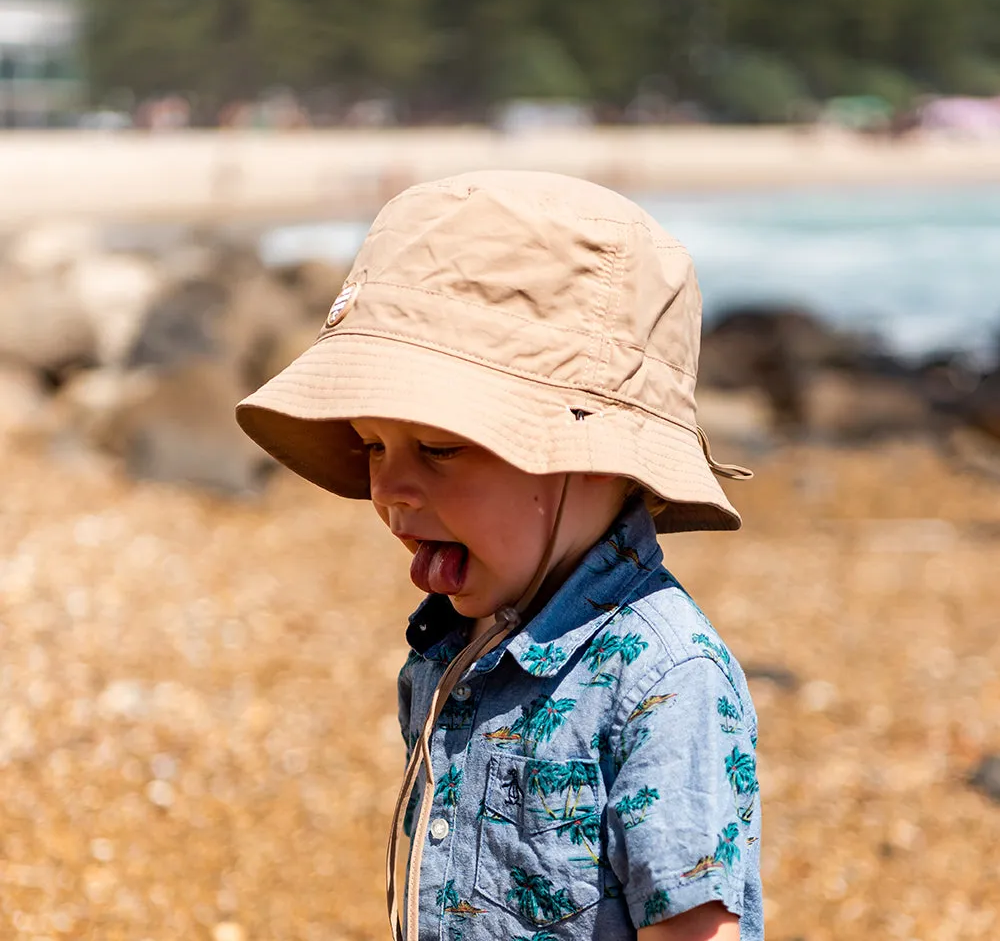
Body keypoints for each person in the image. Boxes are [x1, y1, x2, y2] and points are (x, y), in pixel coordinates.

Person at [235, 171, 762, 941]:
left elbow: (694, 928)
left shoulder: (662, 677)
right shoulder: (454, 647)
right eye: (373, 444)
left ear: (595, 454)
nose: (392, 488)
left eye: (441, 447)